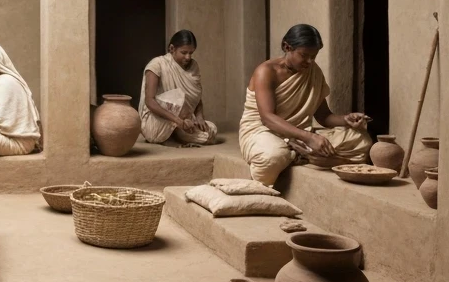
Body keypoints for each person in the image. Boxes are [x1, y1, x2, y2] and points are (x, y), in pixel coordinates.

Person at [238, 23, 372, 186]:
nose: (309, 61)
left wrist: (347, 119)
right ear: (287, 47)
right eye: (304, 55)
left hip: (299, 133)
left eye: (313, 56)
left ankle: (300, 154)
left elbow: (324, 117)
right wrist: (309, 138)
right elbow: (267, 118)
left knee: (360, 139)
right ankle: (272, 177)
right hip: (262, 131)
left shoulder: (313, 72)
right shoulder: (266, 71)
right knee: (273, 156)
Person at [138, 29, 218, 146]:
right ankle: (173, 134)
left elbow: (196, 98)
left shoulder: (193, 66)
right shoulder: (156, 64)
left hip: (184, 121)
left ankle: (177, 135)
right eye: (184, 52)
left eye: (191, 53)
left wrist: (200, 117)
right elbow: (149, 101)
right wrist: (177, 121)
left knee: (211, 131)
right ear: (172, 49)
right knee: (178, 96)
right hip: (156, 122)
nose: (188, 57)